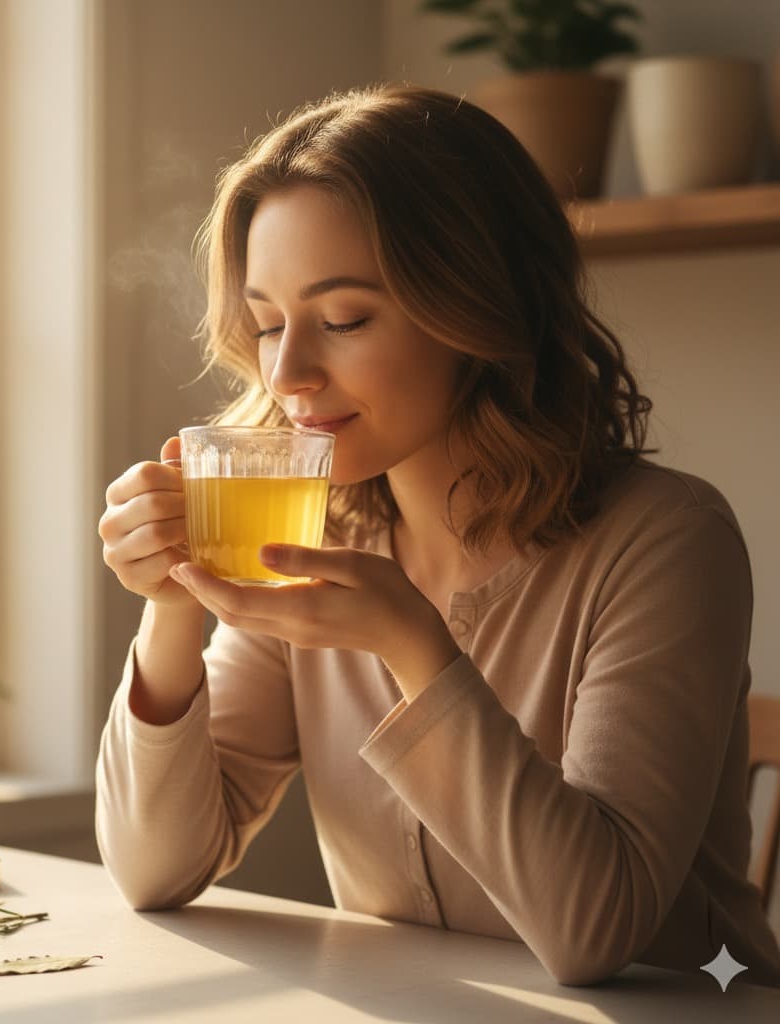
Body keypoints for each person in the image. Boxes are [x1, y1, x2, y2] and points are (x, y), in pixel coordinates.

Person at [95, 83, 780, 988]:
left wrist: (413, 647)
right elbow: (153, 872)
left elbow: (594, 931)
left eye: (343, 319)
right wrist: (174, 605)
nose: (289, 371)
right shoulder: (316, 531)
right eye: (267, 325)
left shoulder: (665, 542)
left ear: (478, 307)